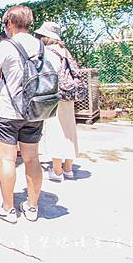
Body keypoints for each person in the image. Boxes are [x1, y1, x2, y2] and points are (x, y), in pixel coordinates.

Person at [0, 5, 57, 223]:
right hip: (35, 111)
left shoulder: (5, 46)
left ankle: (8, 209)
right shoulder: (43, 47)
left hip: (8, 110)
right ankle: (32, 207)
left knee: (7, 159)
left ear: (9, 24)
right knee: (32, 158)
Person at [35, 22, 79, 182]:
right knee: (69, 130)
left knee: (55, 130)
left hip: (55, 95)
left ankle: (57, 170)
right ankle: (68, 168)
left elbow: (47, 75)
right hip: (69, 95)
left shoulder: (48, 52)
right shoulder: (65, 51)